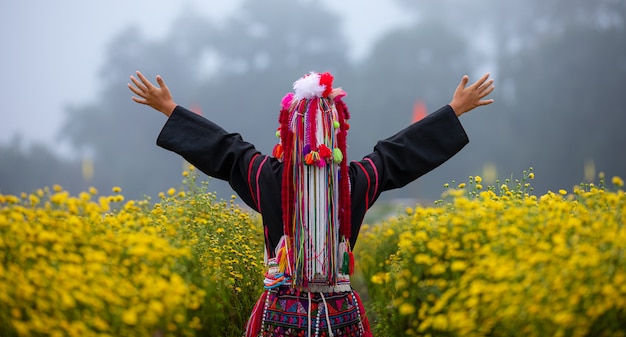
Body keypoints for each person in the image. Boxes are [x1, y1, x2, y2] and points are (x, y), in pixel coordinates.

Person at [128, 70, 494, 337]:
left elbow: (224, 149)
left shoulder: (267, 176)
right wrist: (454, 111)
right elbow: (399, 154)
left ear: (289, 131)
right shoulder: (355, 181)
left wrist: (170, 110)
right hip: (340, 317)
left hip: (280, 318)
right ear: (337, 132)